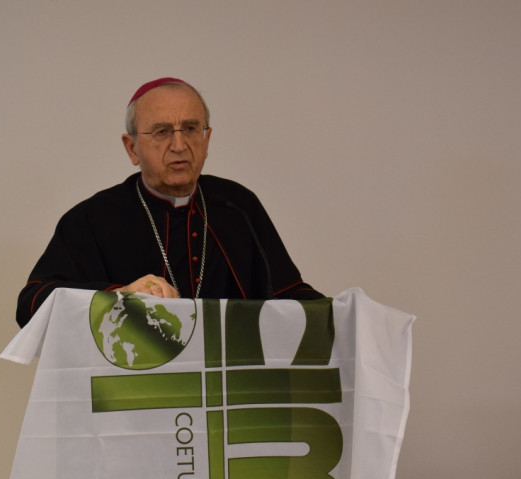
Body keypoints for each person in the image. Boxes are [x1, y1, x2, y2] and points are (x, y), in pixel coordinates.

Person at [16, 77, 322, 328]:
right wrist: (118, 296)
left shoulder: (237, 205)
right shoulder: (92, 218)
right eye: (162, 132)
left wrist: (340, 314)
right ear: (132, 148)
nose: (179, 145)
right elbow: (31, 305)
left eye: (190, 129)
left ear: (207, 140)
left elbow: (287, 294)